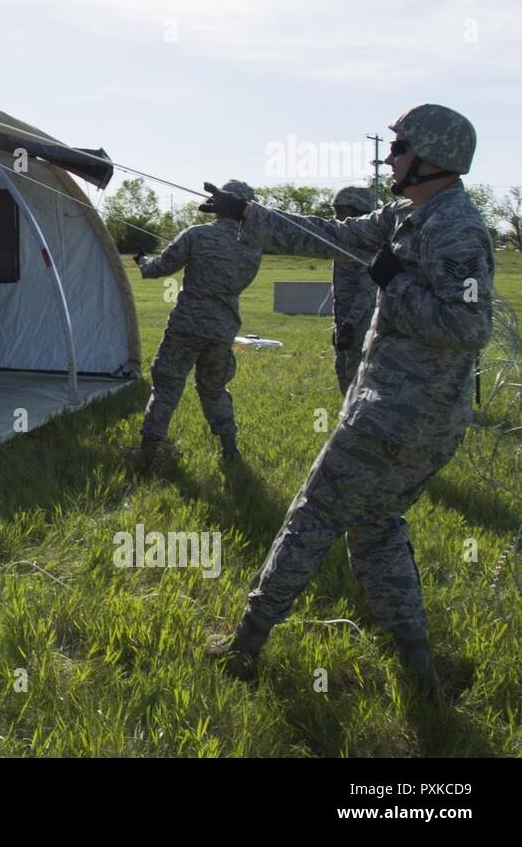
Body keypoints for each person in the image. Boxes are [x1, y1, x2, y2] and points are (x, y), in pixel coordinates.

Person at [201, 104, 494, 696]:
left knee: (312, 518)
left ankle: (245, 648)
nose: (390, 157)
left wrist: (395, 281)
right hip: (411, 421)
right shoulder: (406, 216)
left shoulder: (456, 228)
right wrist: (246, 214)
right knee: (378, 527)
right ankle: (420, 675)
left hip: (396, 420)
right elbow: (330, 236)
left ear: (433, 158)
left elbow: (467, 326)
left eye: (401, 147)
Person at [133, 179, 262, 465]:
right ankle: (230, 449)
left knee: (167, 386)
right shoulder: (254, 247)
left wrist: (142, 261)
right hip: (224, 328)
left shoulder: (197, 234)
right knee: (214, 388)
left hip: (186, 326)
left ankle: (147, 455)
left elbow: (159, 269)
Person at [329, 185, 378, 395]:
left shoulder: (368, 244)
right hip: (345, 320)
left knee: (358, 374)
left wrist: (349, 325)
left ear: (358, 212)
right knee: (343, 369)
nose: (338, 217)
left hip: (361, 322)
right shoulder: (346, 241)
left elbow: (367, 290)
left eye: (342, 211)